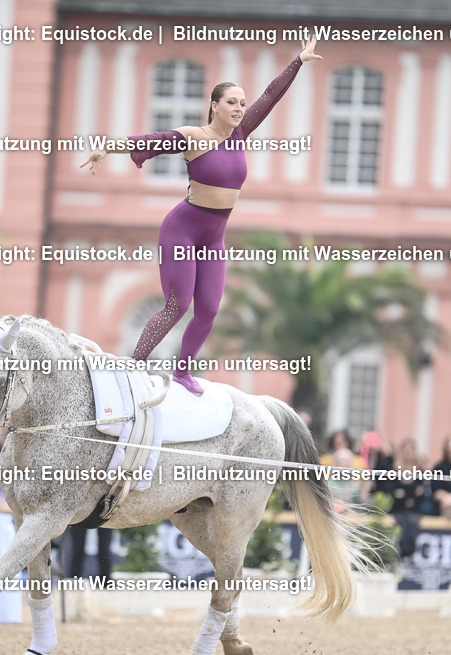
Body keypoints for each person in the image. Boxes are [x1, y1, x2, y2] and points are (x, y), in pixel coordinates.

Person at [82, 39, 322, 395]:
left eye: (242, 103)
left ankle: (182, 373)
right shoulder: (195, 137)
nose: (240, 108)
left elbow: (270, 95)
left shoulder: (241, 135)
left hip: (214, 238)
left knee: (208, 310)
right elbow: (154, 138)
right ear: (214, 106)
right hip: (182, 230)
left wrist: (298, 61)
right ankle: (133, 368)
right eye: (232, 102)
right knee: (177, 306)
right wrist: (107, 146)